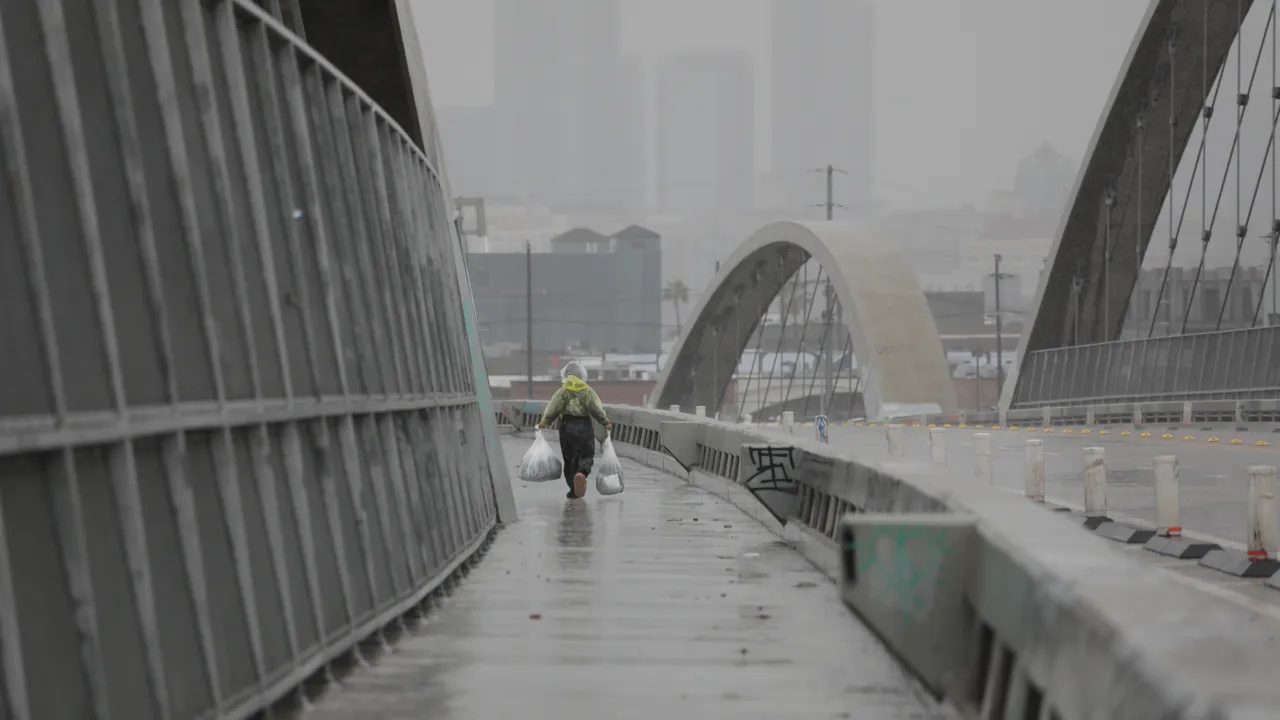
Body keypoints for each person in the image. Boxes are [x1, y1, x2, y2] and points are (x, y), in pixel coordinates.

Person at [537, 360, 611, 499]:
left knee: (569, 457)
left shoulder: (562, 392)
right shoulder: (588, 391)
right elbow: (596, 409)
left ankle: (573, 487)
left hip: (567, 426)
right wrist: (605, 422)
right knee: (586, 454)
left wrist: (544, 423)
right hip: (584, 425)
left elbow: (552, 410)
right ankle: (582, 473)